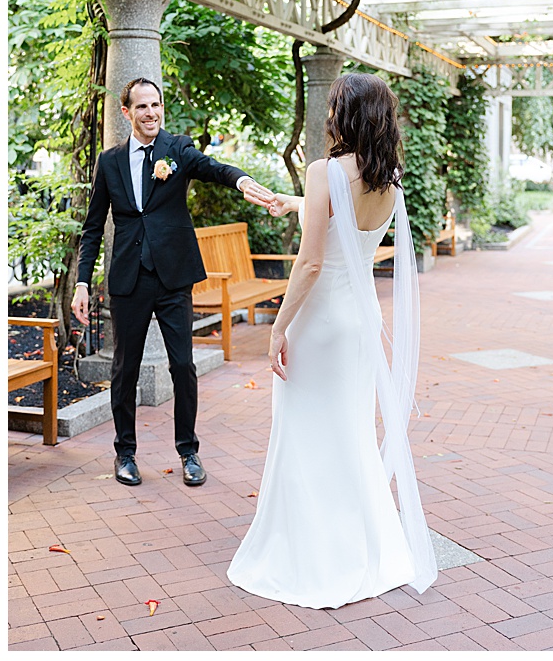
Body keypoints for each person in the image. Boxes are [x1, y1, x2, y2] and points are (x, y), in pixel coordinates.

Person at [226, 72, 436, 608]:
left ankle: (310, 552)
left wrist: (277, 326)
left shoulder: (325, 171)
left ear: (342, 114)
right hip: (358, 326)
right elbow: (347, 227)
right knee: (349, 432)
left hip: (318, 324)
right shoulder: (388, 181)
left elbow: (312, 260)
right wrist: (292, 202)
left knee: (302, 432)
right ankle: (364, 545)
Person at [72, 78, 275, 488]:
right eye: (142, 107)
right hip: (129, 278)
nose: (151, 113)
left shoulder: (177, 148)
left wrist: (240, 181)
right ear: (127, 112)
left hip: (173, 277)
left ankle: (189, 451)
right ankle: (125, 454)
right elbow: (93, 228)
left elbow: (212, 168)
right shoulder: (109, 162)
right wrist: (80, 282)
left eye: (156, 105)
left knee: (182, 364)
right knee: (124, 368)